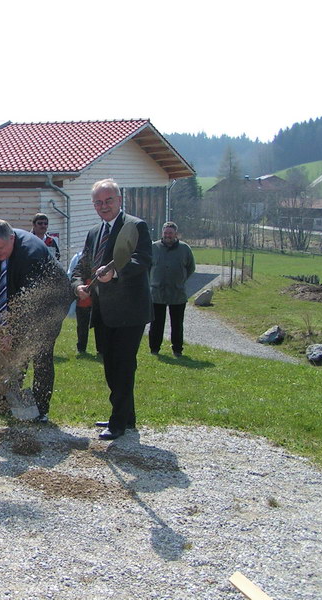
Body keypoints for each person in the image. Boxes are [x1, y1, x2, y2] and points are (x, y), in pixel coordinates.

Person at [72, 179, 152, 441]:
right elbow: (83, 263)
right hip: (103, 311)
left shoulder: (135, 226)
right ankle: (126, 416)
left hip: (129, 312)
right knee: (109, 364)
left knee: (123, 365)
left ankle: (118, 421)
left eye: (108, 200)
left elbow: (143, 260)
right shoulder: (94, 232)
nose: (103, 206)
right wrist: (77, 286)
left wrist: (115, 272)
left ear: (119, 200)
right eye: (98, 202)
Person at [0, 219, 71, 423]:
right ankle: (1, 402)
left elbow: (28, 304)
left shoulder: (31, 255)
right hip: (23, 296)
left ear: (12, 238)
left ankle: (41, 409)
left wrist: (13, 332)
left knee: (41, 354)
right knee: (8, 352)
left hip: (50, 304)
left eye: (0, 248)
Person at [149, 222, 196, 358]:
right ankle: (154, 349)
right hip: (157, 293)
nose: (168, 235)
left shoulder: (184, 249)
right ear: (162, 233)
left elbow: (190, 267)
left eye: (170, 233)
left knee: (177, 324)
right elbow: (147, 268)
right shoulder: (154, 248)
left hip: (177, 293)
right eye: (165, 233)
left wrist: (180, 280)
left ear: (176, 234)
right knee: (156, 323)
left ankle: (177, 350)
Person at [67, 250, 93, 354]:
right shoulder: (78, 256)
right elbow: (72, 273)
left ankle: (101, 349)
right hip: (84, 291)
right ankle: (81, 347)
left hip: (97, 291)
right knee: (82, 322)